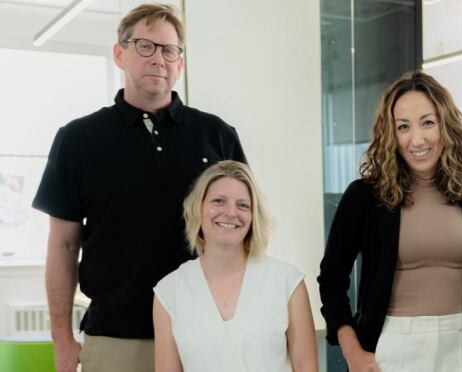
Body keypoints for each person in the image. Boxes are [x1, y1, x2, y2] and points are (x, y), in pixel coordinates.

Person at [31, 4, 246, 371]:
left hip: (205, 332)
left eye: (169, 50)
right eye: (145, 46)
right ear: (120, 53)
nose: (159, 60)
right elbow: (63, 244)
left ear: (179, 62)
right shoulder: (77, 140)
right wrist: (62, 337)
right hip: (116, 337)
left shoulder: (218, 136)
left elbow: (244, 234)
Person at [318, 70, 462, 372]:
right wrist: (353, 352)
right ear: (391, 134)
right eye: (403, 127)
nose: (417, 139)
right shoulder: (365, 196)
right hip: (395, 346)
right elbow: (332, 280)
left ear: (445, 125)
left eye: (427, 122)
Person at [152, 160, 317, 372]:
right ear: (198, 208)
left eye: (243, 205)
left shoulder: (287, 281)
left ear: (253, 216)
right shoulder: (169, 291)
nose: (231, 213)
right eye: (218, 201)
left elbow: (306, 367)